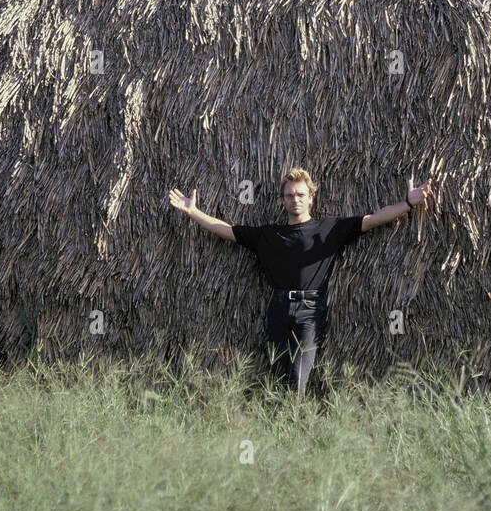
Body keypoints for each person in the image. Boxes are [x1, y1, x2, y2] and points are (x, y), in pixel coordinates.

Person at [168, 167, 435, 401]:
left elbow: (375, 218)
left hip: (311, 311)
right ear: (283, 200)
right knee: (276, 371)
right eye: (290, 195)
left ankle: (291, 424)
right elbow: (226, 230)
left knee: (298, 376)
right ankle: (278, 429)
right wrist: (193, 212)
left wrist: (408, 204)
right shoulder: (267, 235)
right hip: (278, 308)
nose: (295, 199)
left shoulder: (330, 229)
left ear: (310, 198)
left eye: (300, 195)